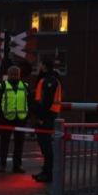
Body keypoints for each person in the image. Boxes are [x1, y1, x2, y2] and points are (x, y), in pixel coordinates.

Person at [30, 55, 63, 184]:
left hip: (46, 117)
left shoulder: (49, 80)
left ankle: (48, 173)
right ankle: (46, 171)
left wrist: (42, 116)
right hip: (48, 115)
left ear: (43, 66)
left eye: (40, 65)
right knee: (45, 145)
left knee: (46, 146)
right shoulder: (50, 79)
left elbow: (47, 100)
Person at [0, 65, 29, 174]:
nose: (13, 76)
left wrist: (28, 116)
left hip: (21, 119)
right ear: (8, 75)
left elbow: (30, 103)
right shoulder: (2, 86)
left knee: (19, 144)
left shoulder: (25, 86)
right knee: (4, 143)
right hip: (6, 119)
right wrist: (1, 117)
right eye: (11, 74)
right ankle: (2, 165)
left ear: (19, 75)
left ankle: (17, 166)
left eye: (15, 74)